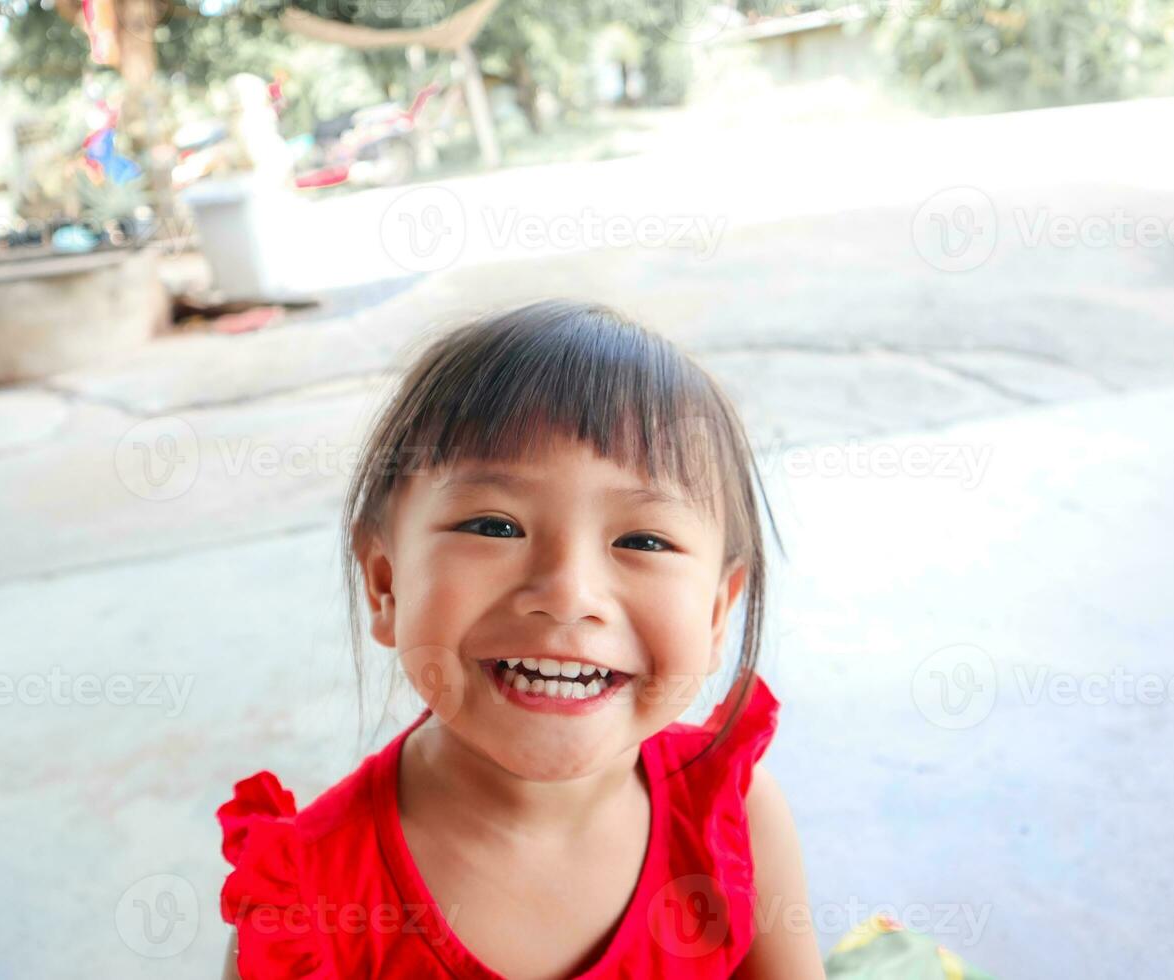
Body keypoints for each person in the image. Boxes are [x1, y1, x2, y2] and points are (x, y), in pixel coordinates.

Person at [216, 300, 826, 978]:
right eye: (495, 527)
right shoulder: (304, 908)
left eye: (644, 540)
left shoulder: (732, 819)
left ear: (717, 614)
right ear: (385, 584)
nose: (568, 594)